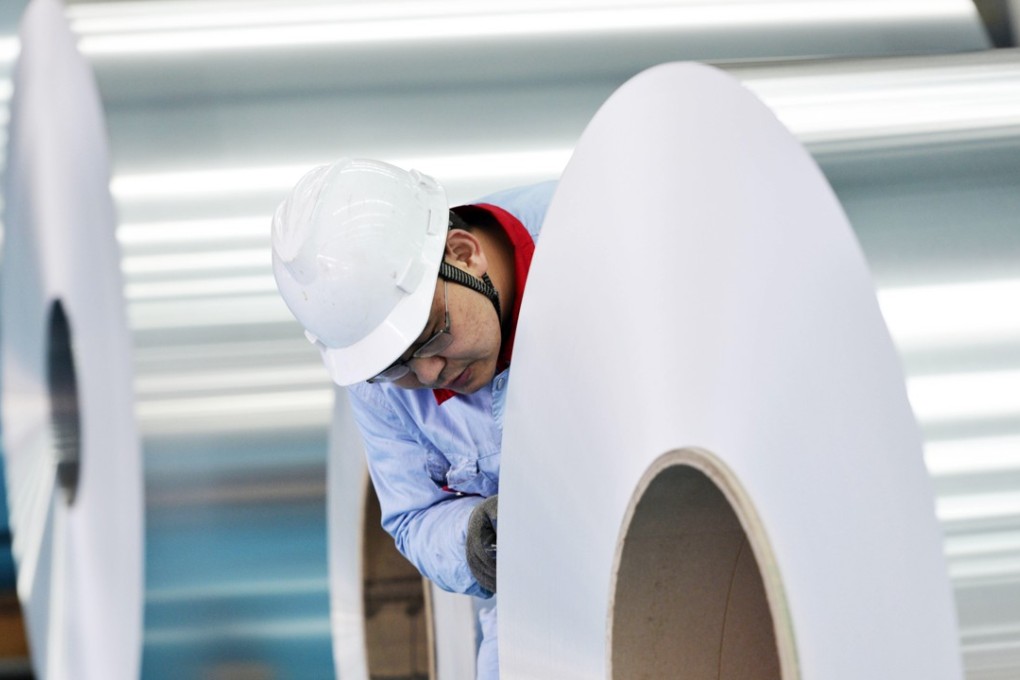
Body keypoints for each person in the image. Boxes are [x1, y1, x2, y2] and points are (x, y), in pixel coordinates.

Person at [271, 157, 556, 679]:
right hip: (539, 611)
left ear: (463, 255)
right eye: (396, 366)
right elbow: (413, 516)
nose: (429, 374)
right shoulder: (378, 382)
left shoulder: (588, 232)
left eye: (431, 335)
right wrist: (473, 535)